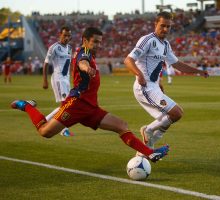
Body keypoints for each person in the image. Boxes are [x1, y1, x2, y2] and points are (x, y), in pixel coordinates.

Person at [11, 27, 168, 163]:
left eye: (100, 42)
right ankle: (26, 106)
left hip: (91, 108)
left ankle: (150, 153)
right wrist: (86, 68)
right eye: (95, 42)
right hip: (76, 105)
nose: (98, 45)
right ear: (85, 40)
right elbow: (82, 62)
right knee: (45, 132)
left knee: (122, 126)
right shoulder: (83, 52)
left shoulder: (90, 54)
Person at [124, 11, 207, 152]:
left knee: (169, 118)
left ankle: (147, 149)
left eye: (168, 27)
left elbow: (177, 64)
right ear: (155, 24)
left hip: (153, 86)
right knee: (176, 112)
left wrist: (198, 71)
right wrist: (139, 74)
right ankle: (148, 131)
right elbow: (128, 60)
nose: (165, 29)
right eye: (162, 25)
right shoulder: (148, 40)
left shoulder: (166, 45)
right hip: (144, 87)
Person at [42, 26, 74, 136]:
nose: (67, 37)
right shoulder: (54, 47)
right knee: (66, 105)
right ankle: (63, 129)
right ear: (60, 34)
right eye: (65, 35)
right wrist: (45, 80)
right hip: (58, 78)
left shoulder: (69, 48)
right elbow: (46, 63)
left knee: (67, 105)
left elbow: (70, 63)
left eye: (69, 35)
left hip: (66, 79)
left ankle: (45, 120)